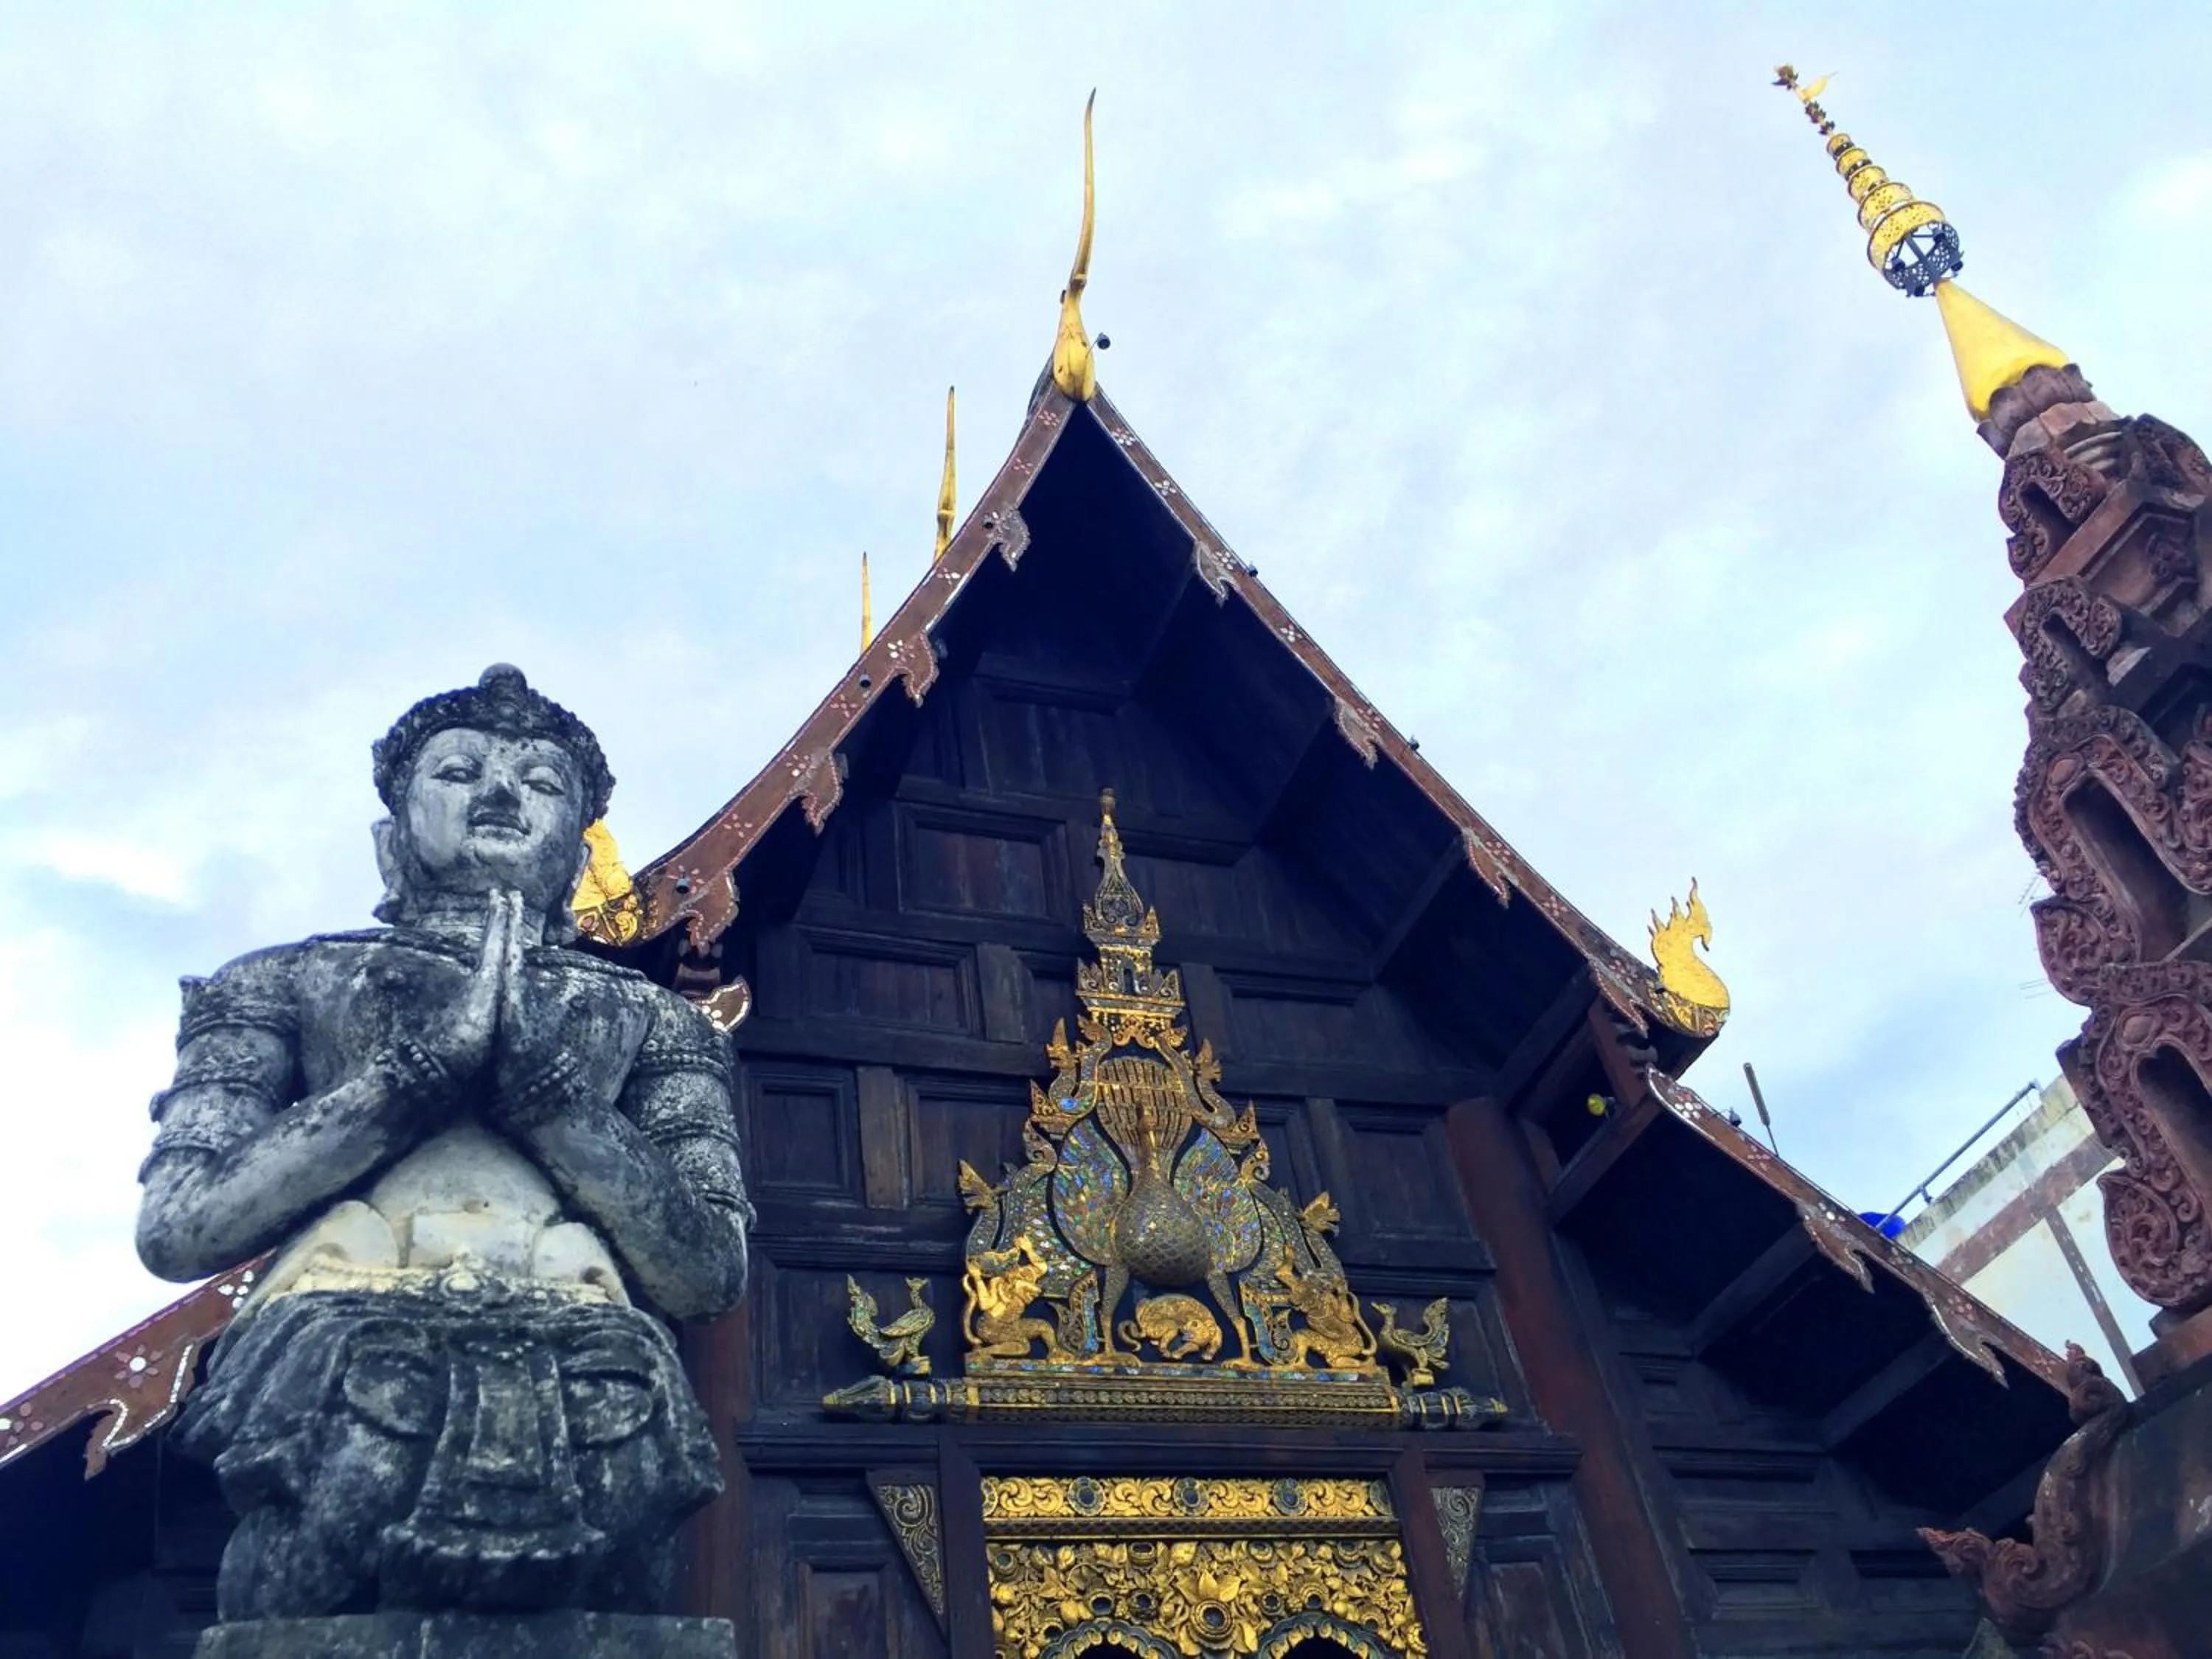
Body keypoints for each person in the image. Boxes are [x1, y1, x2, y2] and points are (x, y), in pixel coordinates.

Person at [135, 665, 751, 1622]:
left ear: (579, 854)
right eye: (460, 772)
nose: (501, 794)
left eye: (540, 782)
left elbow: (706, 1270)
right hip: (343, 1308)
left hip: (579, 1315)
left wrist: (550, 1102)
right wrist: (412, 1081)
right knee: (360, 1446)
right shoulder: (283, 981)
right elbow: (180, 1227)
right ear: (391, 840)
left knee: (620, 1446)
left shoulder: (654, 1020)